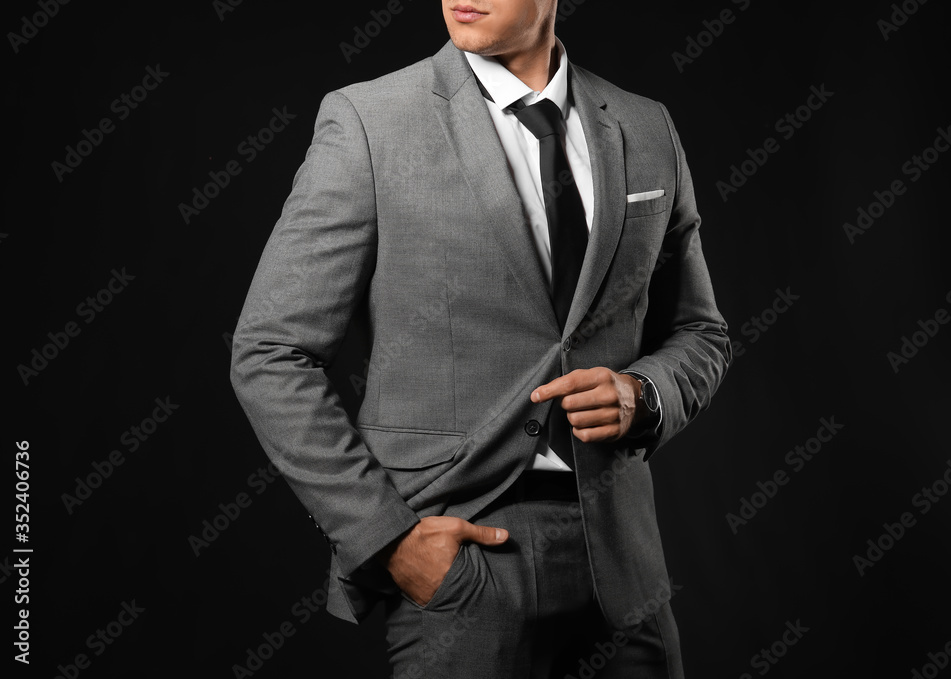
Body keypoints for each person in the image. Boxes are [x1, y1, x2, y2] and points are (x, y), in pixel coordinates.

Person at [230, 1, 730, 676]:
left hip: (623, 568)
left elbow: (699, 330)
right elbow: (268, 351)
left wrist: (646, 393)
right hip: (465, 570)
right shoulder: (371, 122)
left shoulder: (646, 127)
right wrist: (390, 540)